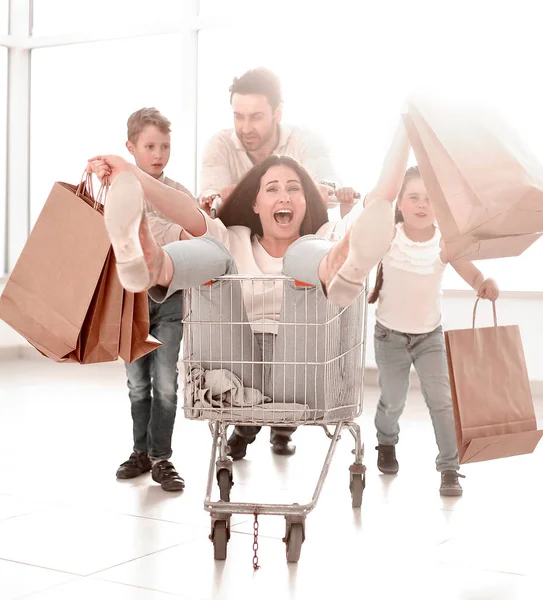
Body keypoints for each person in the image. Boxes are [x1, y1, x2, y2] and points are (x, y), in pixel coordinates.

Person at [87, 120, 409, 460]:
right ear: (254, 203)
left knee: (304, 252)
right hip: (236, 377)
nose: (283, 196)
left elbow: (381, 198)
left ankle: (339, 268)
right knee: (214, 250)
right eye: (271, 189)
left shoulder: (324, 234)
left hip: (304, 372)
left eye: (293, 188)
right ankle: (152, 263)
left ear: (307, 200)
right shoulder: (235, 238)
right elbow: (184, 210)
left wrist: (406, 129)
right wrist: (129, 174)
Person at [368, 166, 500, 497]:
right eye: (414, 197)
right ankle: (386, 441)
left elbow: (471, 273)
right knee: (393, 400)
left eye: (429, 199)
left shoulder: (445, 242)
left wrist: (484, 283)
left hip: (429, 337)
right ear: (399, 202)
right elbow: (356, 245)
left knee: (442, 400)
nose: (422, 205)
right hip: (390, 337)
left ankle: (450, 468)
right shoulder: (388, 236)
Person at [114, 107, 194, 492]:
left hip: (170, 302)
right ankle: (140, 451)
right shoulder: (118, 189)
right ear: (131, 148)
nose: (158, 154)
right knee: (136, 384)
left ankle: (162, 457)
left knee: (165, 382)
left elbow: (192, 236)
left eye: (164, 146)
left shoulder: (178, 194)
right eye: (149, 146)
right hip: (130, 304)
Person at [199, 67, 359, 216]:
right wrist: (212, 198)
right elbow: (211, 197)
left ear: (278, 113)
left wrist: (323, 189)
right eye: (238, 117)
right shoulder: (220, 145)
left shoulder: (305, 139)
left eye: (256, 117)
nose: (246, 129)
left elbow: (328, 181)